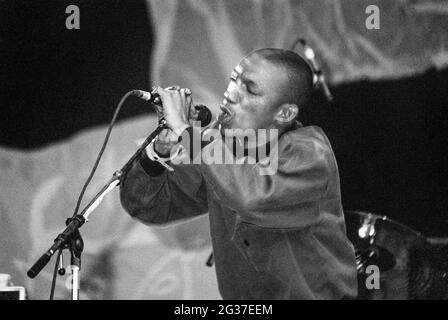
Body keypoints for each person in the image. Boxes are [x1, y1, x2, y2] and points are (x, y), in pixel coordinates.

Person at [119, 48, 358, 299]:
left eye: (250, 89)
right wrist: (160, 151)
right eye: (234, 80)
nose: (231, 93)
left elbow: (253, 196)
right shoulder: (217, 146)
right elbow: (150, 207)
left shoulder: (310, 153)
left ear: (284, 113)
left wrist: (186, 131)